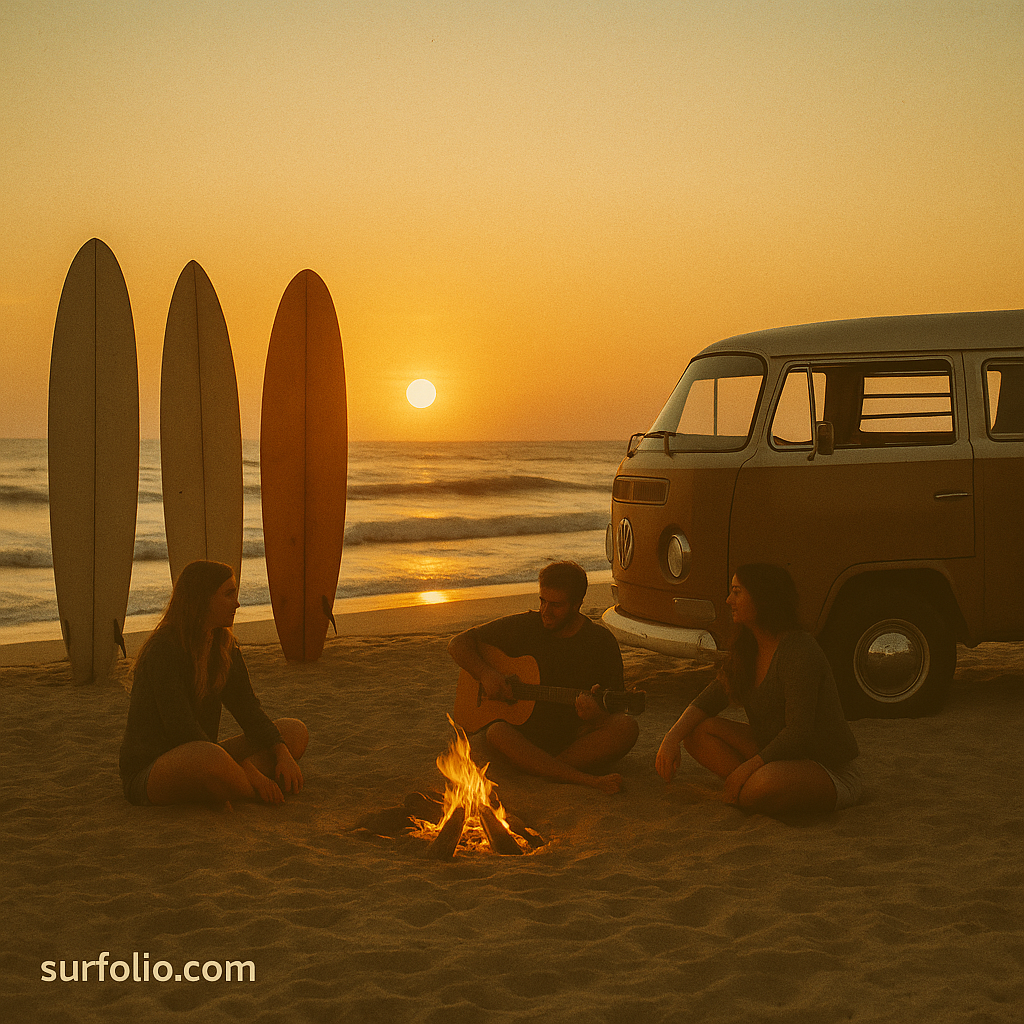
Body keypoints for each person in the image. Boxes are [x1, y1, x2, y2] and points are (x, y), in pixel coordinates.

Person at [655, 563, 862, 816]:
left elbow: (799, 733)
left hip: (826, 766)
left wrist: (745, 769)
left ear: (763, 598)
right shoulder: (748, 647)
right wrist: (671, 738)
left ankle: (752, 786)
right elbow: (711, 698)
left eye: (737, 592)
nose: (729, 600)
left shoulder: (799, 650)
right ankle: (752, 786)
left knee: (762, 784)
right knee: (695, 732)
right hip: (775, 754)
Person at [119, 560, 308, 808]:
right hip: (154, 769)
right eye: (228, 594)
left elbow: (249, 711)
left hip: (206, 753)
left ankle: (235, 777)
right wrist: (241, 768)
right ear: (203, 599)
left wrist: (282, 751)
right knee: (208, 757)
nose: (237, 603)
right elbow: (181, 729)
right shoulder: (163, 650)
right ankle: (248, 784)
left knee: (294, 731)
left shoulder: (224, 647)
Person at [448, 561, 639, 793]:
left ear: (578, 604)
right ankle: (579, 777)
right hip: (524, 735)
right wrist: (487, 674)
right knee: (496, 733)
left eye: (556, 605)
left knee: (626, 727)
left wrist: (597, 717)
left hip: (572, 742)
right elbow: (458, 643)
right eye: (542, 601)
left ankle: (545, 767)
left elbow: (613, 711)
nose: (546, 612)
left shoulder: (601, 643)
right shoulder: (528, 625)